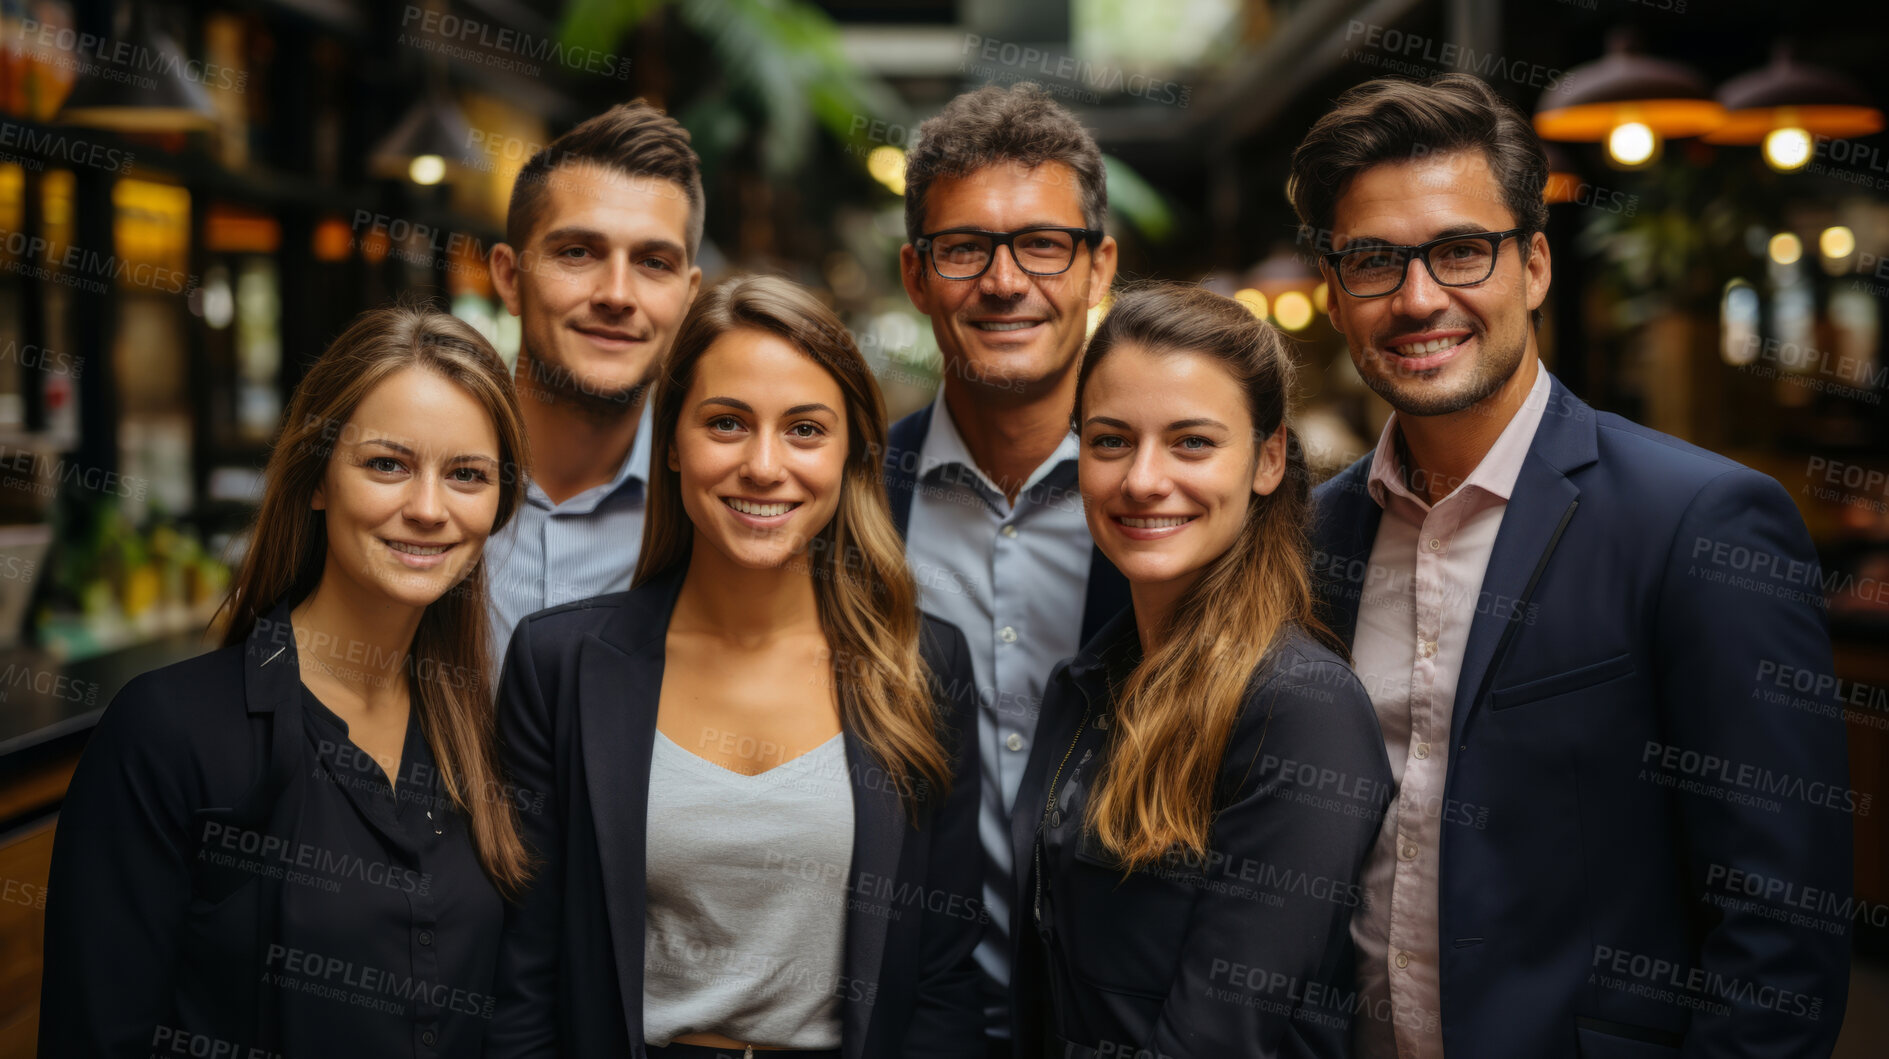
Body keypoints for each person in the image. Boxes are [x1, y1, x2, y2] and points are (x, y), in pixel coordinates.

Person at [1294, 74, 1852, 1057]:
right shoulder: (1306, 541)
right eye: (1374, 262)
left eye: (1461, 252)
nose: (1418, 298)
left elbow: (1779, 924)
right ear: (1334, 297)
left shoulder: (1697, 523)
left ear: (1535, 266)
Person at [489, 275, 984, 1059]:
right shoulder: (560, 665)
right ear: (674, 445)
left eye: (804, 430)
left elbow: (944, 981)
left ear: (851, 450)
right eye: (725, 423)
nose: (763, 465)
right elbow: (525, 981)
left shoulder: (923, 667)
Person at [39, 305, 533, 1058]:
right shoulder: (169, 733)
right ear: (317, 480)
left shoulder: (479, 740)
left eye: (466, 474)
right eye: (387, 464)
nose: (429, 508)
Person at [1009, 282, 1391, 1057]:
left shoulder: (1300, 707)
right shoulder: (1089, 681)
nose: (1143, 479)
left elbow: (1218, 1037)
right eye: (1111, 440)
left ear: (1268, 457)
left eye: (1191, 442)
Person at [885, 83, 1129, 1055]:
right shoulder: (846, 503)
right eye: (963, 248)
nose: (1002, 280)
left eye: (1041, 243)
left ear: (1096, 265)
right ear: (914, 273)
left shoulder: (1179, 510)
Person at [483, 100, 706, 662]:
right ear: (510, 278)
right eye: (578, 252)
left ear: (689, 299)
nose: (616, 295)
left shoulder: (718, 509)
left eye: (654, 262)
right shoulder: (416, 491)